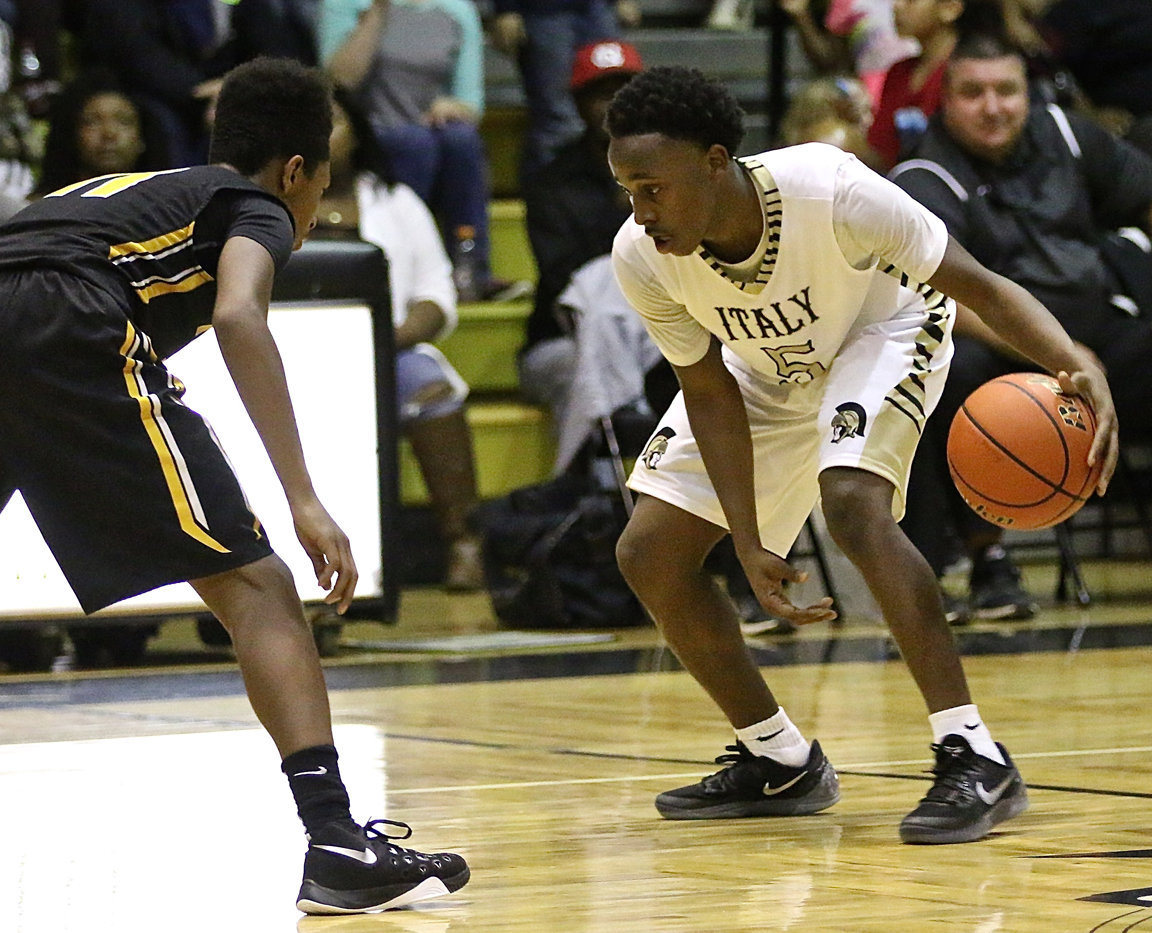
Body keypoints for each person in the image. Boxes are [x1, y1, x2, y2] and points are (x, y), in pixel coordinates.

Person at [0, 57, 468, 913]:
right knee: (259, 585)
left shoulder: (135, 186)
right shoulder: (255, 205)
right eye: (317, 190)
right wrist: (305, 498)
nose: (314, 210)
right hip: (68, 318)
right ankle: (334, 840)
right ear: (297, 170)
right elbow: (238, 314)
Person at [605, 65, 1117, 842]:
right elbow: (709, 394)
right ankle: (778, 757)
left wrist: (1076, 365)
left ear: (715, 161)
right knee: (649, 551)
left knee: (850, 500)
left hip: (884, 332)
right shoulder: (642, 257)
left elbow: (979, 285)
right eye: (628, 192)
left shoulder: (833, 190)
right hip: (763, 365)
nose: (641, 212)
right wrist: (746, 538)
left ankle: (972, 752)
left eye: (653, 189)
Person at [890, 32, 1152, 620]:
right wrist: (1056, 351)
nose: (992, 106)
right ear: (946, 100)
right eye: (973, 93)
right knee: (951, 370)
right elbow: (938, 297)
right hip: (1006, 352)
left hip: (1105, 333)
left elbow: (1145, 195)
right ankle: (988, 562)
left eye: (1006, 90)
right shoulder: (923, 177)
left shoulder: (1066, 133)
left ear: (1026, 94)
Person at [313, 95, 485, 589]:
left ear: (359, 132)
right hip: (296, 356)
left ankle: (463, 541)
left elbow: (436, 291)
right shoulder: (270, 204)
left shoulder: (395, 200)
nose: (325, 135)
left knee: (431, 387)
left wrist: (392, 337)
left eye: (336, 122)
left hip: (389, 350)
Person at [520, 38, 673, 447]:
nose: (614, 105)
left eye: (624, 93)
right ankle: (592, 495)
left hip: (668, 328)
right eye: (601, 94)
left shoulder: (674, 170)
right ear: (577, 103)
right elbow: (563, 277)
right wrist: (623, 211)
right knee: (585, 372)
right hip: (566, 337)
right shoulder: (552, 182)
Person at [319, 0, 510, 301]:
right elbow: (339, 83)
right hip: (370, 127)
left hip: (431, 127)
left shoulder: (456, 9)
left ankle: (469, 267)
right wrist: (378, 14)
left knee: (462, 141)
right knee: (414, 143)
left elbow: (471, 103)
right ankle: (405, 264)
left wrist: (452, 106)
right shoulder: (344, 5)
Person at [80, 0, 316, 167]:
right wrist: (207, 94)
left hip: (230, 87)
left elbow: (276, 46)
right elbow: (136, 54)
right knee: (163, 122)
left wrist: (239, 87)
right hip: (156, 91)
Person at [489, 0, 641, 183]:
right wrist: (506, 7)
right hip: (542, 11)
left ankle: (613, 198)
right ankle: (553, 198)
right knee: (558, 122)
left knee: (613, 116)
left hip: (597, 8)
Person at [867, 0, 1002, 169]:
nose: (896, 6)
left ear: (949, 8)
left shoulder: (971, 75)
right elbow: (881, 150)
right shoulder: (899, 72)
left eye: (911, 1)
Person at [34, 70, 172, 197]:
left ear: (143, 137)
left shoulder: (171, 214)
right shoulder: (38, 214)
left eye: (124, 121)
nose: (109, 134)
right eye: (92, 122)